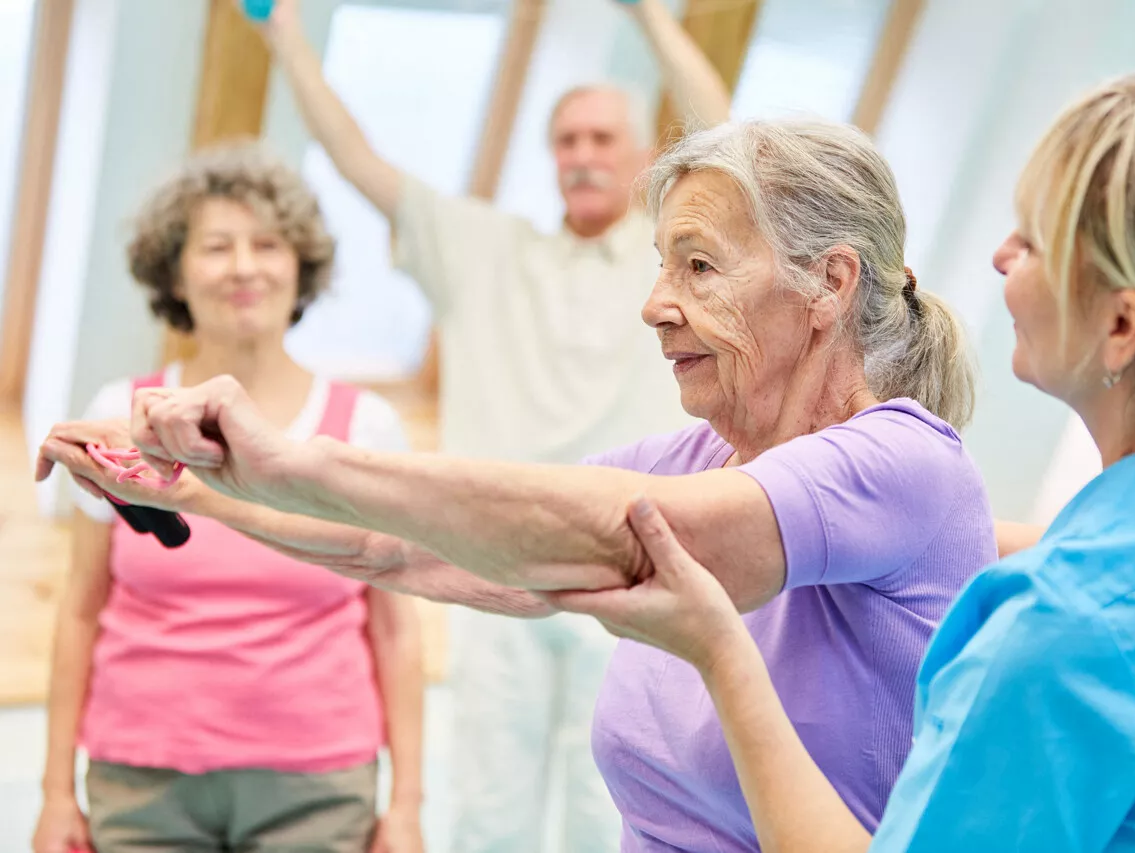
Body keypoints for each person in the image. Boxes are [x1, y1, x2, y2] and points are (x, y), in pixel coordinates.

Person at [42, 118, 998, 851]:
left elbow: (633, 537)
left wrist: (288, 458)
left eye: (698, 267)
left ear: (831, 282)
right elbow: (399, 548)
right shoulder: (695, 458)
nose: (656, 303)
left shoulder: (904, 460)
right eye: (663, 265)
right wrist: (200, 493)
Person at [539, 73, 1135, 851]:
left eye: (1029, 242)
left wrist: (721, 651)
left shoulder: (1056, 632)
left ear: (1124, 326)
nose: (999, 258)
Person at [247, 0, 733, 846]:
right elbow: (356, 159)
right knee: (489, 811)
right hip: (494, 569)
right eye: (567, 141)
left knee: (614, 807)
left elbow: (724, 135)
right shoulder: (482, 251)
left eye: (602, 139)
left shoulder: (671, 259)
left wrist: (653, 18)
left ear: (645, 156)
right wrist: (283, 35)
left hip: (640, 568)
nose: (583, 156)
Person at [31, 144, 427, 853]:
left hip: (320, 783)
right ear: (174, 273)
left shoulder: (366, 425)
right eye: (217, 246)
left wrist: (406, 807)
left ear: (299, 266)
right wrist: (57, 792)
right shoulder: (117, 414)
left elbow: (395, 630)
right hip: (141, 781)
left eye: (267, 244)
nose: (244, 266)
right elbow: (81, 610)